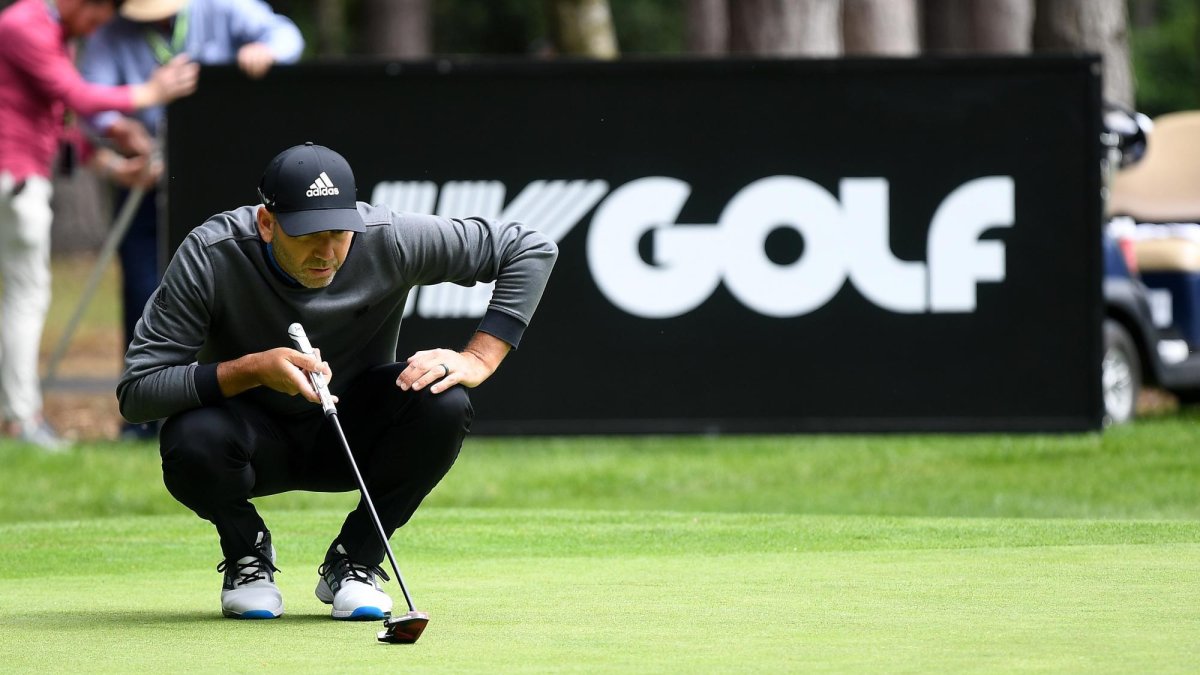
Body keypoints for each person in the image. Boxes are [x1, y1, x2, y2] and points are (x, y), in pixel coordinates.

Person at [117, 143, 558, 620]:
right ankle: (247, 552)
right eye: (308, 235)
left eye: (339, 233)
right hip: (246, 440)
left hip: (350, 432)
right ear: (267, 224)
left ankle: (356, 561)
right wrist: (250, 370)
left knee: (443, 402)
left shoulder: (388, 237)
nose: (326, 253)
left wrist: (478, 357)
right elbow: (138, 392)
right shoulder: (212, 253)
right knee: (190, 438)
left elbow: (529, 248)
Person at [79, 0, 304, 439]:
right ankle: (146, 414)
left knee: (234, 283)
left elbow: (289, 36)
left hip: (221, 173)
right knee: (146, 290)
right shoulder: (111, 35)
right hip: (150, 179)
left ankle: (244, 402)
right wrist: (117, 127)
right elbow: (91, 100)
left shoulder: (224, 8)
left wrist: (266, 52)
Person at [0, 0, 197, 450]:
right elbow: (79, 96)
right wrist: (147, 94)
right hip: (13, 180)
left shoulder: (55, 35)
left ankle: (15, 412)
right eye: (98, 16)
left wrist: (110, 159)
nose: (98, 28)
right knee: (26, 298)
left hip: (19, 180)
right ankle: (20, 419)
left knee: (20, 296)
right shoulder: (23, 25)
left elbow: (62, 124)